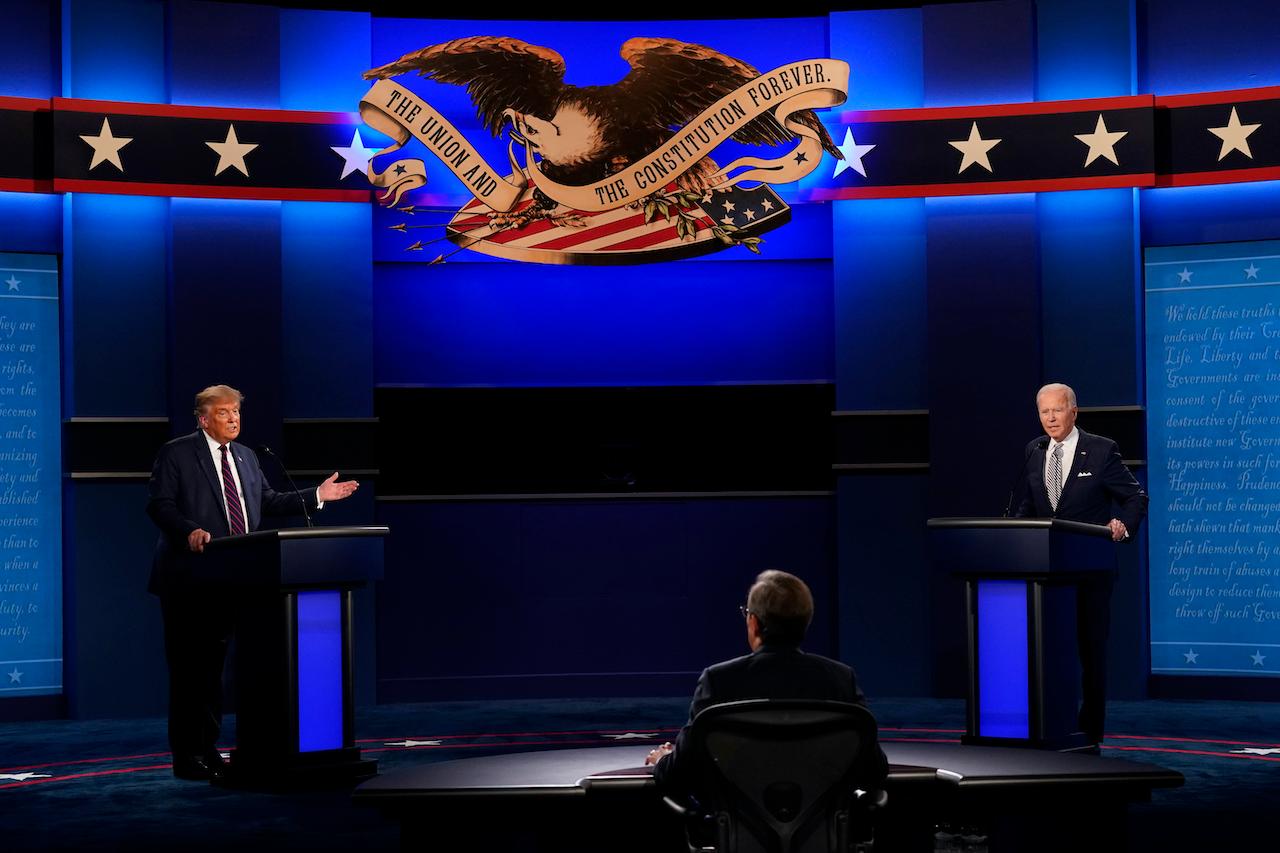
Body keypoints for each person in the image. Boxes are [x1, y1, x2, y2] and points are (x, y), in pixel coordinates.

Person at [146, 384, 359, 781]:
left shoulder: (245, 457)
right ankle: (191, 756)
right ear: (203, 418)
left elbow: (270, 502)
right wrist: (188, 530)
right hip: (191, 580)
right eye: (224, 413)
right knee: (195, 673)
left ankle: (220, 751)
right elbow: (160, 505)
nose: (233, 419)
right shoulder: (176, 453)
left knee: (231, 671)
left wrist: (317, 495)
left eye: (237, 412)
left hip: (242, 580)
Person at [647, 569, 887, 794]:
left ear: (754, 622)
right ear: (806, 622)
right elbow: (874, 771)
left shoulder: (719, 680)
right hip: (822, 833)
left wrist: (663, 761)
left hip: (737, 833)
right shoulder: (840, 679)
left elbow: (679, 775)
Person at [1015, 382, 1148, 745]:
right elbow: (1025, 506)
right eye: (1044, 411)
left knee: (1090, 653)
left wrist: (1123, 527)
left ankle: (1089, 733)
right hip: (1045, 573)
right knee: (1045, 652)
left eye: (1057, 409)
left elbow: (1135, 498)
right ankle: (1050, 724)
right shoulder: (1034, 451)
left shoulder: (1102, 450)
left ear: (1074, 411)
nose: (1051, 418)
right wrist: (1010, 536)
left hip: (1091, 571)